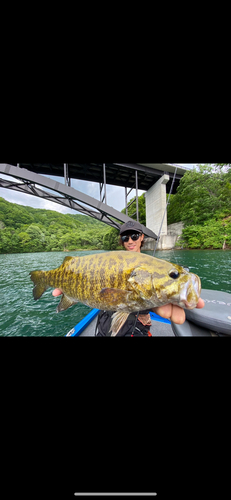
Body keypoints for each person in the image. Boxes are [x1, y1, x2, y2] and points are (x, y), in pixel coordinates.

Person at [52, 220, 205, 335]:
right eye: (125, 237)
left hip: (136, 328)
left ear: (141, 237)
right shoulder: (110, 262)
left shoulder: (151, 265)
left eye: (134, 236)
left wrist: (162, 298)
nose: (130, 240)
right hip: (104, 323)